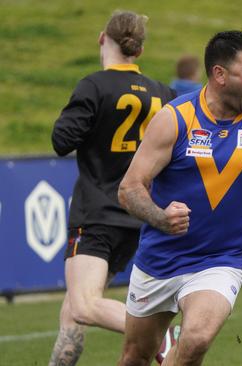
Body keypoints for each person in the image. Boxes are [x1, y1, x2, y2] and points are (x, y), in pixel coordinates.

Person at [117, 30, 242, 365]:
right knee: (135, 357)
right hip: (160, 259)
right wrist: (161, 217)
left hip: (221, 261)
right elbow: (129, 189)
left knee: (197, 339)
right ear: (219, 75)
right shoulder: (175, 119)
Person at [49, 10, 176, 366]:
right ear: (139, 49)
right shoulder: (161, 92)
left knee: (84, 305)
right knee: (73, 309)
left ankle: (160, 336)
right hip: (138, 215)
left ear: (102, 38)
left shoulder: (94, 85)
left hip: (96, 214)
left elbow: (62, 140)